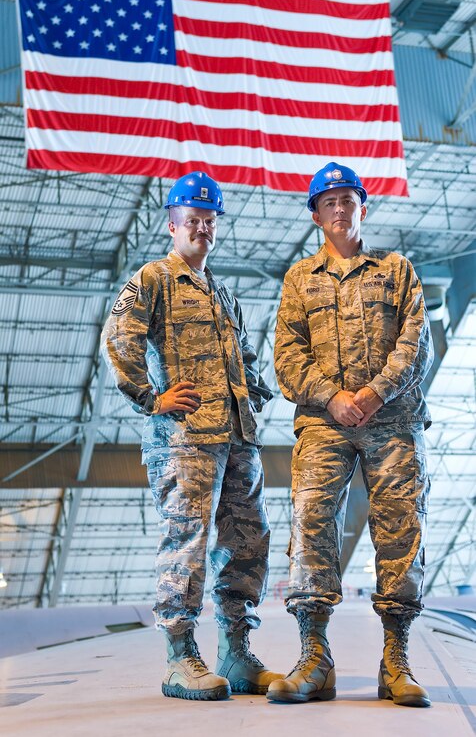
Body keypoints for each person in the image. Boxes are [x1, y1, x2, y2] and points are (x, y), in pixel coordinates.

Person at [101, 171, 282, 701]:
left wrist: (259, 393)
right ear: (173, 225)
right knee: (188, 544)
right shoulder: (152, 279)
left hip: (237, 440)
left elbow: (245, 359)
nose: (202, 228)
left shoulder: (222, 293)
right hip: (185, 440)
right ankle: (180, 658)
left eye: (209, 220)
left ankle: (236, 651)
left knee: (248, 542)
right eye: (193, 220)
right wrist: (151, 399)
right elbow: (119, 340)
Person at [268, 162, 433, 707]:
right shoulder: (300, 279)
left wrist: (374, 393)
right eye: (328, 202)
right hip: (323, 424)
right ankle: (314, 657)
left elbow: (416, 343)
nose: (339, 209)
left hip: (393, 423)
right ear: (316, 215)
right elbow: (286, 357)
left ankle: (396, 661)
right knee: (311, 523)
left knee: (400, 531)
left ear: (364, 206)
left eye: (348, 199)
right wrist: (333, 397)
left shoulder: (397, 270)